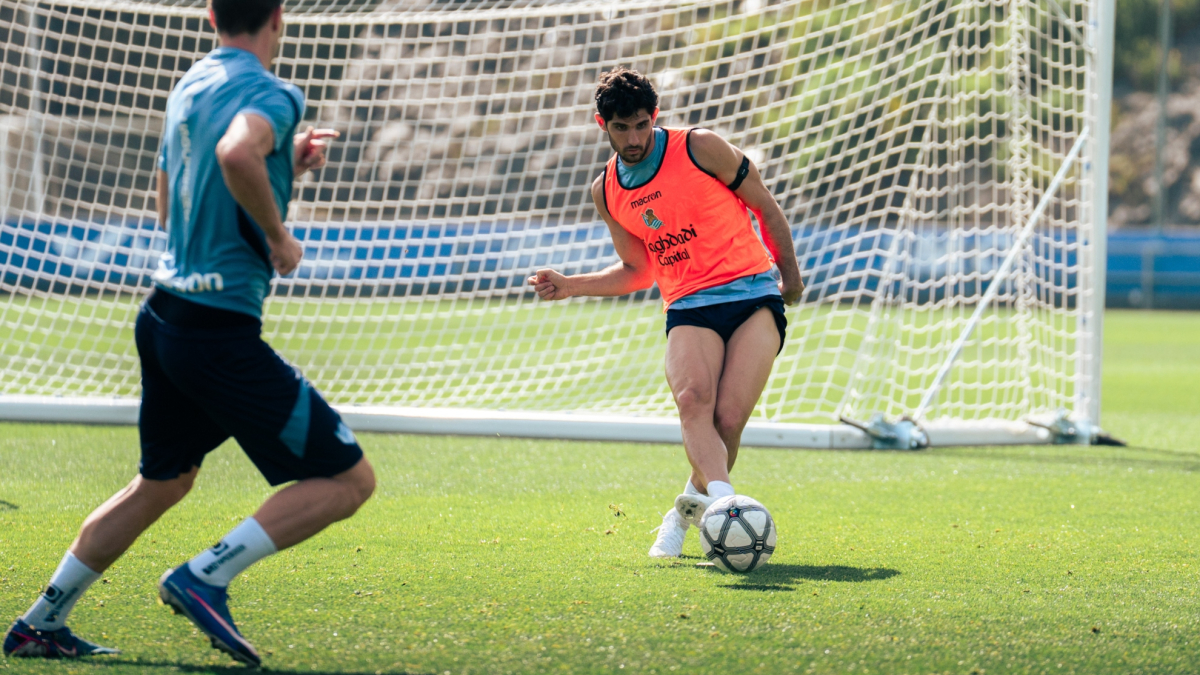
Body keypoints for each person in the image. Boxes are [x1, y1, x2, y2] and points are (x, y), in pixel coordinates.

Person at [3, 0, 374, 664]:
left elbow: (176, 179)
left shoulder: (191, 83)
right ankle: (205, 574)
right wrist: (278, 235)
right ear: (279, 17)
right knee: (348, 480)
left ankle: (39, 622)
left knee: (163, 481)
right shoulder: (274, 91)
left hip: (165, 311)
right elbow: (235, 153)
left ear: (210, 15)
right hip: (217, 332)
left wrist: (287, 159)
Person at [528, 67, 804, 559]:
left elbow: (765, 205)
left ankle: (681, 517)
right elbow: (638, 271)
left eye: (640, 125)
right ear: (602, 125)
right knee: (692, 399)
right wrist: (572, 285)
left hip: (753, 295)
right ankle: (725, 509)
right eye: (621, 128)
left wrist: (792, 278)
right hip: (688, 305)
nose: (633, 138)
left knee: (727, 419)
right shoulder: (607, 191)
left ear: (654, 117)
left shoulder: (701, 148)